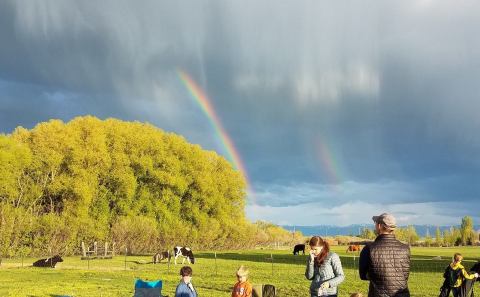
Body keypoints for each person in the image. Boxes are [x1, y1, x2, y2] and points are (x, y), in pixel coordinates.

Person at [359, 213, 410, 297]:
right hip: (402, 294)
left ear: (379, 226)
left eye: (375, 223)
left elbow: (363, 275)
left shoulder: (368, 248)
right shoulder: (405, 248)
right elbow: (404, 275)